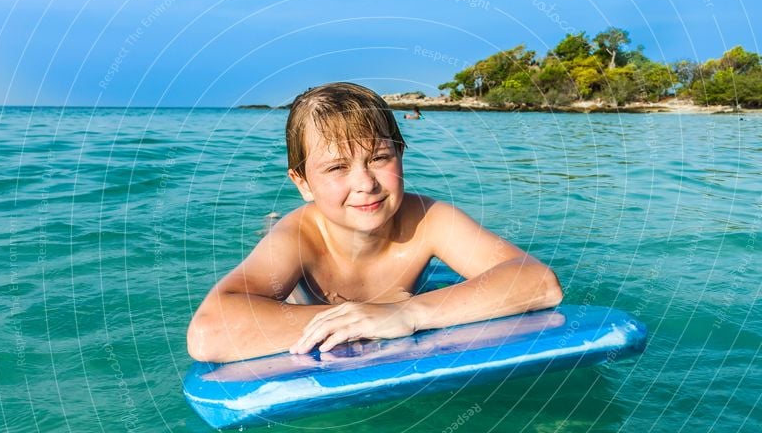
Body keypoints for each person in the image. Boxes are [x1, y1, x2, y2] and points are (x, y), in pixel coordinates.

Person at [187, 82, 562, 363]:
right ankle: (268, 221)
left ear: (401, 154)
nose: (365, 184)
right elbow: (209, 332)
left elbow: (540, 283)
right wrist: (361, 318)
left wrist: (407, 312)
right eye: (336, 168)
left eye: (380, 158)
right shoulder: (298, 238)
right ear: (302, 183)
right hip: (301, 253)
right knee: (274, 232)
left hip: (396, 304)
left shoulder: (429, 220)